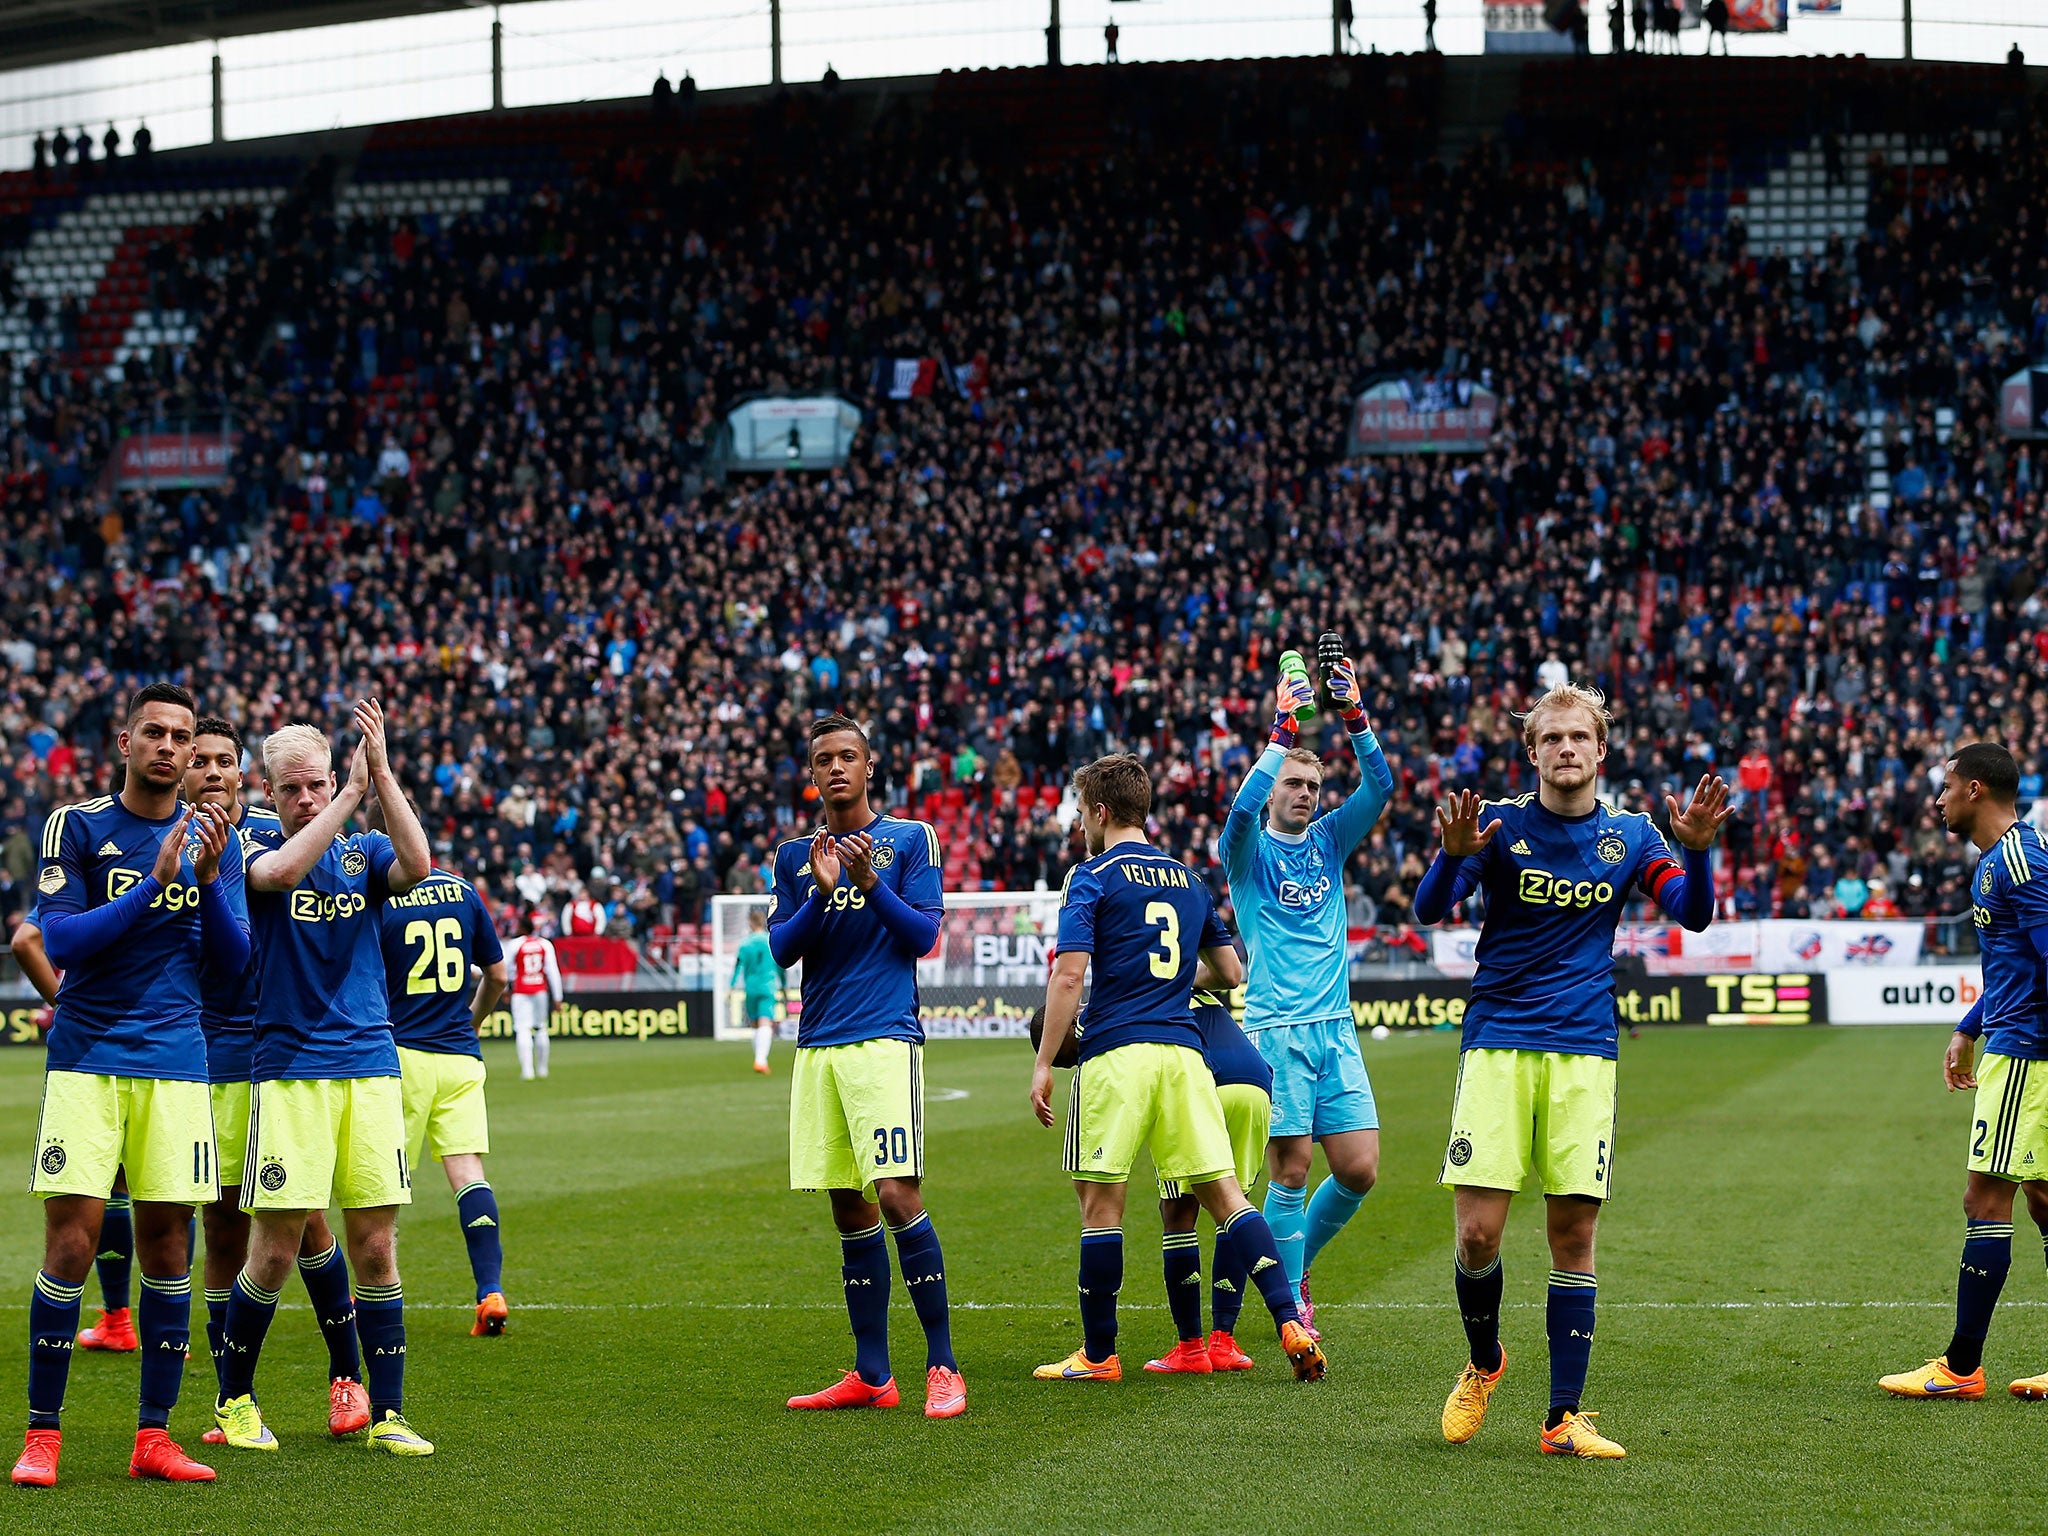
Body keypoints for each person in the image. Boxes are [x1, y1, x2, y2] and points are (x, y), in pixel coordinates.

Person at [1413, 684, 1729, 1459]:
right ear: (1532, 753)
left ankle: (1563, 1417)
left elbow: (1691, 913)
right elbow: (1431, 909)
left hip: (1586, 1049)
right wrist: (1449, 860)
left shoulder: (1632, 835)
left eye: (1577, 737)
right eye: (1549, 738)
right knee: (1480, 1234)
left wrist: (1696, 847)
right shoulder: (1499, 825)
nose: (1564, 749)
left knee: (1572, 1232)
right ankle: (1486, 1361)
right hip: (1497, 1041)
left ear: (1600, 750)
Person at [1029, 752, 1325, 1385]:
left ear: (1100, 811)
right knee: (1226, 1196)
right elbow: (1230, 971)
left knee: (1102, 1208)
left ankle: (1099, 1354)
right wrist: (1164, 984)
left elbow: (1068, 974)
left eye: (1083, 812)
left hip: (1118, 1055)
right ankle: (1285, 1318)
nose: (1082, 823)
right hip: (1187, 1057)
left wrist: (1044, 1059)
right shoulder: (1188, 879)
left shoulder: (1092, 876)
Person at [12, 682, 245, 1487]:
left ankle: (154, 1437)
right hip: (86, 1057)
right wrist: (157, 879)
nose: (170, 748)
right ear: (125, 741)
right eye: (155, 733)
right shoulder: (76, 826)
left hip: (177, 1065)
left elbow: (236, 964)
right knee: (72, 1242)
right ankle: (44, 1436)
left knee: (169, 1249)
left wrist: (209, 879)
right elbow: (63, 937)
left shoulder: (221, 837)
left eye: (183, 738)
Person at [213, 700, 436, 1457]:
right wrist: (346, 797)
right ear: (267, 793)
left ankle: (389, 1413)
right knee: (274, 1249)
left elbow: (419, 865)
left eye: (317, 785)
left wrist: (382, 773)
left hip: (370, 1062)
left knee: (375, 1246)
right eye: (291, 789)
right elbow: (280, 872)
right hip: (291, 1069)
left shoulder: (363, 849)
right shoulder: (253, 843)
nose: (304, 798)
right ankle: (235, 1400)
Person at [771, 714, 963, 1419]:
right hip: (817, 1044)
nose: (837, 768)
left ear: (870, 766)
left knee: (896, 1195)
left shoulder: (910, 839)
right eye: (825, 759)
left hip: (884, 1038)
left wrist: (867, 883)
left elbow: (923, 935)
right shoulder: (794, 854)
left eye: (849, 756)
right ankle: (872, 1374)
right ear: (812, 773)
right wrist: (823, 890)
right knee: (848, 1206)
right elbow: (782, 953)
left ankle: (943, 1365)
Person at [184, 716, 368, 1444]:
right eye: (202, 762)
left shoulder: (265, 836)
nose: (213, 773)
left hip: (271, 1048)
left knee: (304, 1220)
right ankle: (237, 1398)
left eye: (225, 761)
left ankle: (346, 1377)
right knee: (222, 1226)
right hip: (199, 1054)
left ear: (242, 777)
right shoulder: (154, 839)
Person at [1220, 656, 1390, 1337]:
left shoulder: (1327, 840)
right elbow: (1235, 816)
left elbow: (1379, 789)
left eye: (1313, 784)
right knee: (1288, 1174)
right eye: (1293, 783)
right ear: (1271, 788)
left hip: (1336, 1029)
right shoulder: (1248, 854)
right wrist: (1278, 734)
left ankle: (1293, 1267)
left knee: (1360, 1168)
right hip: (1277, 1029)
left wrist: (1355, 718)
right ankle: (1289, 1305)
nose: (1305, 794)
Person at [1881, 743, 2048, 1402]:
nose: (1938, 798)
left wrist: (2003, 1036)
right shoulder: (2002, 861)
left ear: (1976, 789)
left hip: (2028, 1052)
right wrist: (1967, 1027)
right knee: (2041, 1200)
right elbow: (2018, 966)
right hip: (2013, 1039)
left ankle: (1960, 1367)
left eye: (1946, 786)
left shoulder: (2018, 862)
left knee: (1986, 1199)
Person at [375, 818, 511, 1337]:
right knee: (467, 1171)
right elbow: (497, 975)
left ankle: (369, 1294)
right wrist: (469, 1024)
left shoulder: (377, 897)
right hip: (460, 1056)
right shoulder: (463, 890)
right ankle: (489, 1291)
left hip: (399, 1055)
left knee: (383, 1184)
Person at [11, 907, 138, 1353]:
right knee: (173, 1199)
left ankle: (118, 1319)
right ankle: (172, 1327)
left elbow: (26, 940)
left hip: (91, 1047)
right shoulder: (185, 863)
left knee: (103, 1190)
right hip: (173, 1039)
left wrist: (63, 1002)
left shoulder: (81, 864)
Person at [1142, 964, 1275, 1375]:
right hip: (1255, 1082)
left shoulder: (1138, 994)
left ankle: (1191, 1348)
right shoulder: (1190, 979)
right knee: (1234, 1206)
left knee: (1179, 1211)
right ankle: (1224, 1342)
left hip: (1202, 1081)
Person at [506, 912, 562, 1080]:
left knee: (523, 1029)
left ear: (522, 928)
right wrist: (558, 996)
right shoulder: (544, 944)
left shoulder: (514, 945)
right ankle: (543, 1069)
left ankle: (527, 1070)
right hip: (540, 989)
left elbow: (507, 969)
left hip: (521, 990)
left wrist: (504, 990)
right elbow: (553, 972)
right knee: (541, 1027)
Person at [733, 908, 785, 1074]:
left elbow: (738, 966)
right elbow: (780, 965)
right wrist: (783, 985)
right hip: (767, 986)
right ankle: (760, 1061)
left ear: (750, 923)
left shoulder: (745, 943)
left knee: (755, 1023)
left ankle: (759, 1058)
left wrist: (731, 985)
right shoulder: (770, 940)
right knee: (765, 1022)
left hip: (751, 987)